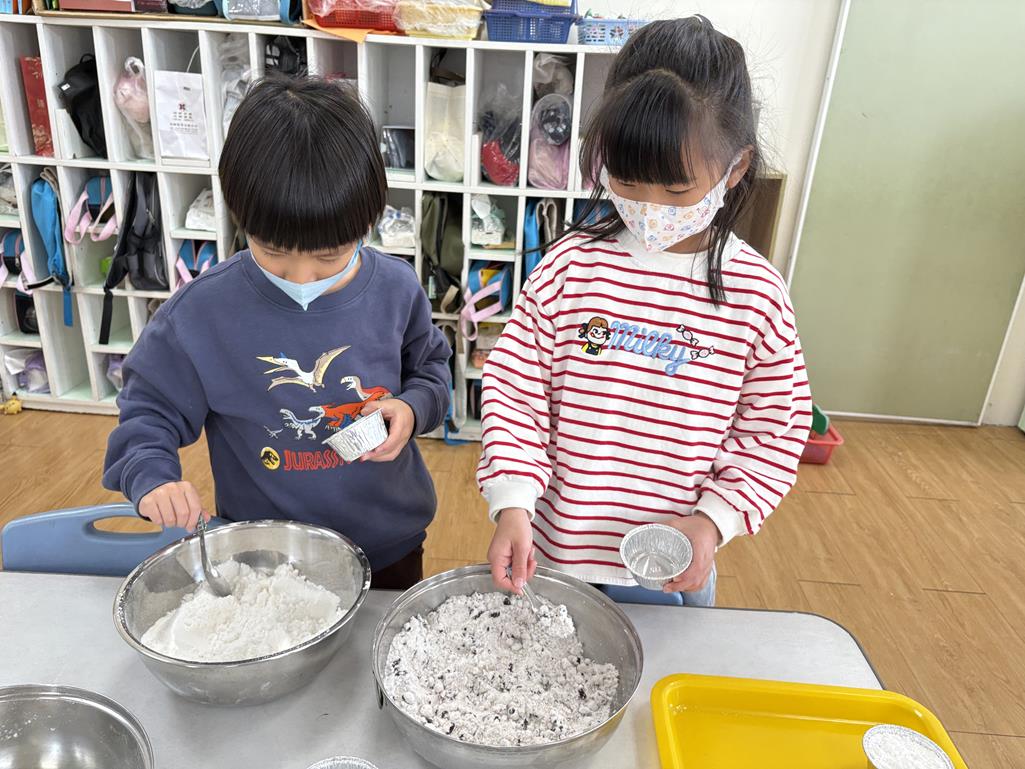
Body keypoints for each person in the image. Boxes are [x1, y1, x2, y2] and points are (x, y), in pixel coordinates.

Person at [478, 16, 812, 606]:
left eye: (677, 190)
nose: (650, 207)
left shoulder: (755, 294)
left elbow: (774, 429)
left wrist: (715, 520)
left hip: (673, 566)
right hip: (554, 557)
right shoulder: (569, 268)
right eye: (628, 182)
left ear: (735, 168)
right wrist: (512, 501)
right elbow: (514, 391)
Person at [103, 77, 451, 589]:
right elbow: (148, 410)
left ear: (367, 222)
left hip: (387, 544)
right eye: (273, 251)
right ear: (241, 218)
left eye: (328, 256)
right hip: (264, 554)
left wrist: (413, 408)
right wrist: (152, 477)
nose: (302, 277)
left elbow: (432, 372)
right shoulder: (201, 314)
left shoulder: (396, 289)